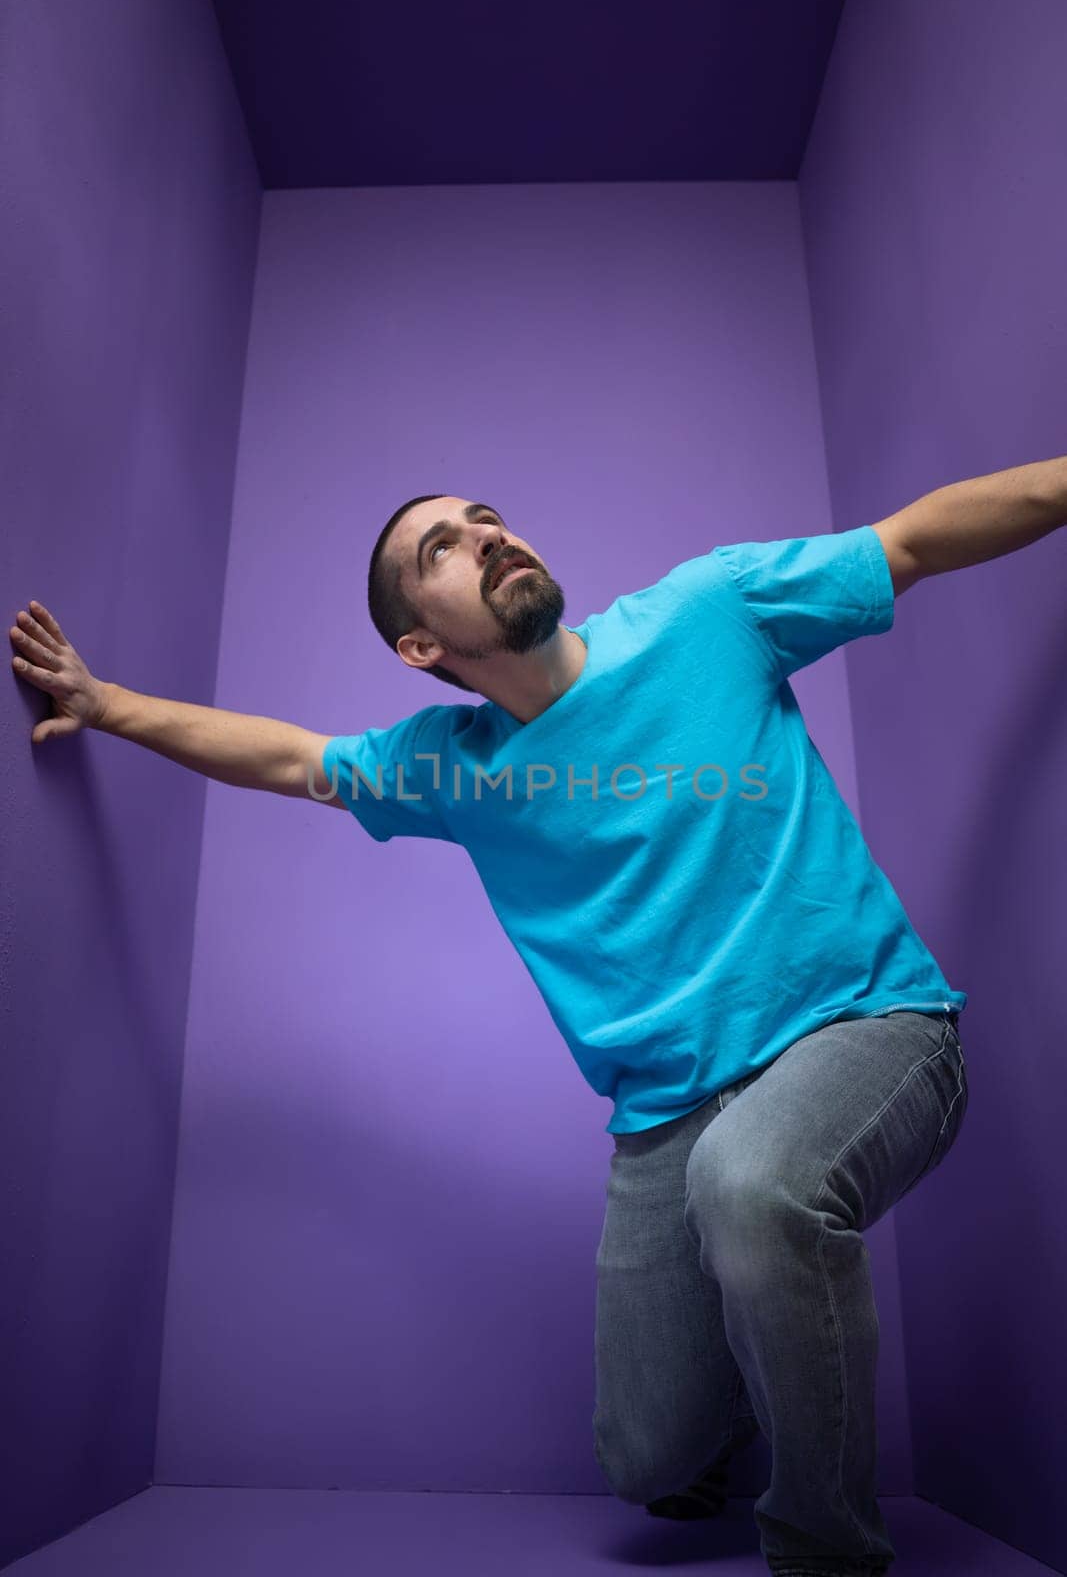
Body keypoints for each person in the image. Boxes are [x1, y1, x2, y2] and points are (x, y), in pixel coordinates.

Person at [17, 475, 1050, 1574]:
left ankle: (823, 1549)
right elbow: (286, 758)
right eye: (443, 549)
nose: (487, 538)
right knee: (649, 1465)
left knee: (751, 1184)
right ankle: (765, 1349)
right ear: (419, 646)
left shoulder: (709, 611)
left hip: (868, 1028)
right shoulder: (450, 766)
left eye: (487, 520)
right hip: (671, 1115)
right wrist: (106, 701)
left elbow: (910, 542)